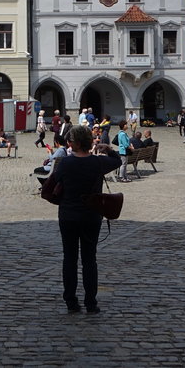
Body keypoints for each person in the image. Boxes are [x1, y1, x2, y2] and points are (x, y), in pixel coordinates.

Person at [49, 125, 120, 314]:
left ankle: (71, 301)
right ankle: (91, 302)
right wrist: (109, 149)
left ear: (76, 143)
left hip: (68, 216)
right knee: (89, 259)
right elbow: (117, 161)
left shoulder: (65, 163)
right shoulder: (97, 163)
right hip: (91, 216)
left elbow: (55, 182)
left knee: (69, 259)